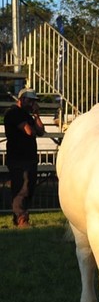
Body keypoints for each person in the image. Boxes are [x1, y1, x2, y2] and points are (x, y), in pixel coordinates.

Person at [4, 88, 46, 228]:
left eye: (34, 101)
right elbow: (29, 132)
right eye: (30, 100)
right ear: (21, 100)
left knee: (29, 187)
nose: (32, 104)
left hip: (29, 157)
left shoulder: (27, 115)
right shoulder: (13, 113)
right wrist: (33, 126)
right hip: (18, 158)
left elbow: (40, 131)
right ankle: (21, 218)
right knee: (21, 188)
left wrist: (37, 116)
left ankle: (20, 217)